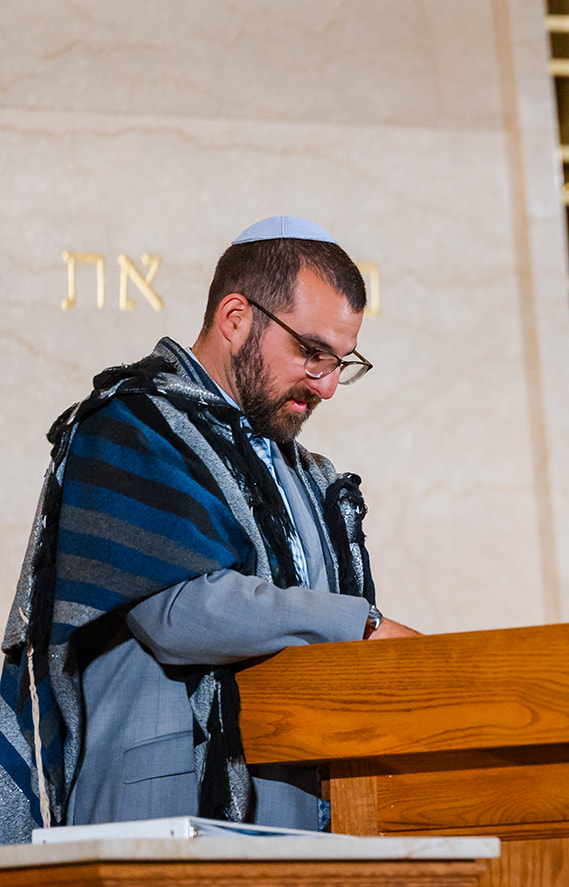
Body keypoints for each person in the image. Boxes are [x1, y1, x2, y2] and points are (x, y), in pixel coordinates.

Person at [0, 216, 419, 844]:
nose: (328, 386)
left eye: (341, 362)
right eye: (312, 353)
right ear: (235, 318)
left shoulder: (307, 474)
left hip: (303, 805)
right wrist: (357, 625)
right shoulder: (130, 425)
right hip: (162, 811)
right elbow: (176, 613)